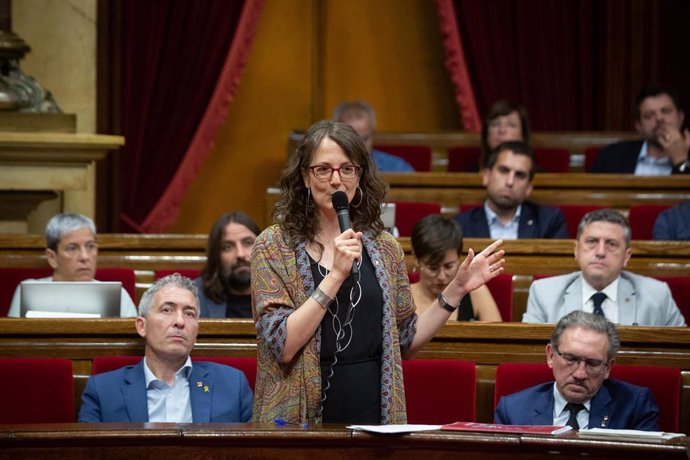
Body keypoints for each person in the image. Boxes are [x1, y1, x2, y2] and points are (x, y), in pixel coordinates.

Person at [250, 120, 505, 425]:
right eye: (323, 169)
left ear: (359, 177)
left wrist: (456, 289)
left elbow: (405, 339)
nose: (336, 180)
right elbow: (283, 345)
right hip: (298, 414)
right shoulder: (272, 245)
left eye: (347, 169)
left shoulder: (384, 248)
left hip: (373, 409)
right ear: (305, 177)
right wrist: (335, 276)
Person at [78, 273, 253, 422]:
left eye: (189, 313)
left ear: (197, 329)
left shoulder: (231, 385)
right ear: (141, 326)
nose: (180, 321)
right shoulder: (103, 390)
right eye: (167, 310)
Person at [495, 310, 659, 431]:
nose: (580, 374)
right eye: (570, 359)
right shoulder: (513, 410)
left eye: (592, 363)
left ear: (607, 368)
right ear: (551, 356)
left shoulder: (635, 406)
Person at [524, 209, 686, 326]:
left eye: (612, 244)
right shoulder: (545, 293)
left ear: (626, 256)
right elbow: (531, 356)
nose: (600, 252)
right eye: (592, 241)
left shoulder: (657, 296)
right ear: (577, 250)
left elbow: (681, 355)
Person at [7, 212, 137, 317]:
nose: (85, 257)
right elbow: (12, 345)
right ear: (52, 258)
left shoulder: (118, 295)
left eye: (90, 246)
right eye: (72, 248)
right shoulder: (29, 292)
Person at [454, 141, 568, 239]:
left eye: (519, 175)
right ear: (486, 176)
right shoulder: (460, 225)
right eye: (504, 170)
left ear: (529, 188)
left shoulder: (549, 222)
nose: (510, 182)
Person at [411, 215, 502, 321]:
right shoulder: (402, 298)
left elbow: (498, 335)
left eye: (449, 266)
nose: (441, 276)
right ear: (416, 259)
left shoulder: (475, 293)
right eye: (433, 268)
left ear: (459, 258)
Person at [592, 84, 690, 175]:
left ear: (680, 117)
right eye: (649, 115)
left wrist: (681, 161)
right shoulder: (612, 156)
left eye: (666, 111)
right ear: (639, 126)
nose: (659, 118)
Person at [195, 211, 261, 318]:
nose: (240, 254)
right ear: (216, 256)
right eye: (228, 247)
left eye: (248, 243)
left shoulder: (288, 293)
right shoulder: (195, 297)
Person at [333, 100, 415, 172]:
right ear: (337, 137)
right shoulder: (327, 167)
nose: (358, 147)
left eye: (364, 139)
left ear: (373, 132)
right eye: (351, 140)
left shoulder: (396, 167)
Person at [480, 99, 530, 169]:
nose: (502, 130)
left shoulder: (541, 176)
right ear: (486, 134)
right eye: (495, 124)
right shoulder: (467, 174)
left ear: (523, 135)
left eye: (511, 125)